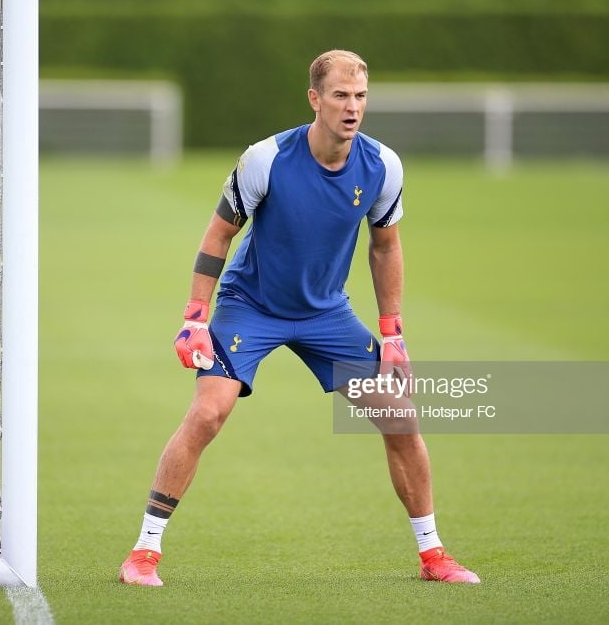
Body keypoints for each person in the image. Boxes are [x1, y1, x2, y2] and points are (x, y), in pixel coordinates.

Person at [119, 50, 479, 586]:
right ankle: (144, 553)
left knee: (400, 418)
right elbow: (220, 233)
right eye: (340, 96)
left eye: (359, 97)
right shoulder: (266, 158)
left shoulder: (383, 166)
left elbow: (385, 247)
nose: (351, 107)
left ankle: (433, 556)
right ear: (315, 99)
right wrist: (195, 317)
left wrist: (393, 332)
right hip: (251, 307)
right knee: (209, 413)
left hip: (326, 314)